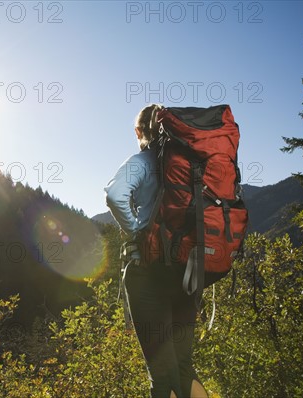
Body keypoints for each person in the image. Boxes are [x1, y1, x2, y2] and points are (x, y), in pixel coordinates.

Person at [104, 104, 209, 398]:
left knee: (161, 374)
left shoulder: (143, 161)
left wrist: (137, 230)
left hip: (148, 274)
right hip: (188, 272)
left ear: (138, 132)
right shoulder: (194, 164)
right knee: (184, 365)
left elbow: (114, 195)